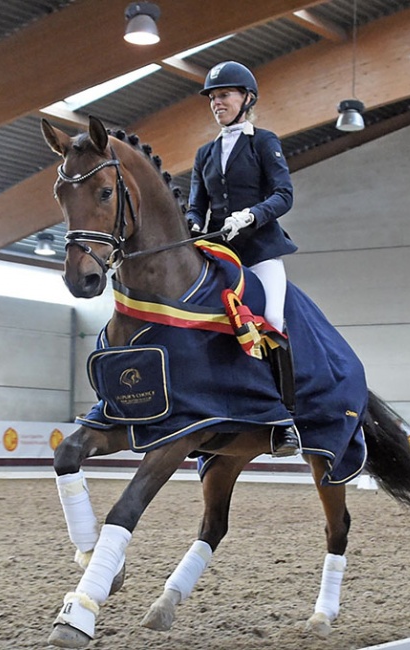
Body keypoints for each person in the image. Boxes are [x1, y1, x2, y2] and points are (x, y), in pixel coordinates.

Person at [185, 60, 299, 456]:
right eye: (213, 98)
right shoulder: (205, 152)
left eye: (225, 95)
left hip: (262, 251)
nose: (217, 103)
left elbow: (284, 194)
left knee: (273, 321)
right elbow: (195, 204)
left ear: (246, 99)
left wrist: (251, 215)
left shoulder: (264, 142)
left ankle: (284, 420)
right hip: (221, 254)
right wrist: (194, 225)